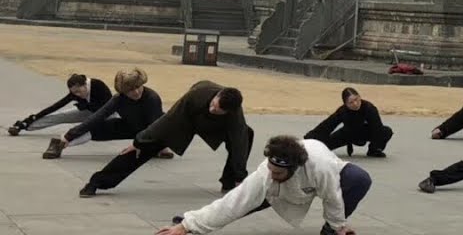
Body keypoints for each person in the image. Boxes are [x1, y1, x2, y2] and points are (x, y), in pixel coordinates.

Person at [155, 135, 372, 235]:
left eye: (278, 172)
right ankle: (192, 222)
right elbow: (234, 202)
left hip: (323, 178)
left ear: (293, 168)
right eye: (270, 168)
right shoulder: (267, 174)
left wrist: (338, 226)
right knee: (243, 203)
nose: (271, 173)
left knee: (360, 179)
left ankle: (331, 231)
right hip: (279, 192)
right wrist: (186, 227)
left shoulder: (321, 168)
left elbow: (332, 197)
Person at [79, 81, 253, 198]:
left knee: (246, 135)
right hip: (184, 120)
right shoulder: (195, 96)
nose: (213, 108)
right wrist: (138, 141)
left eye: (218, 110)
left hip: (214, 128)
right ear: (217, 95)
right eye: (213, 104)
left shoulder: (234, 114)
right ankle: (97, 182)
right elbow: (167, 120)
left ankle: (230, 182)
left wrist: (240, 177)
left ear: (229, 111)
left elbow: (239, 143)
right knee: (141, 147)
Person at [42, 68, 173, 160]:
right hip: (129, 125)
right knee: (95, 127)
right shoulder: (118, 99)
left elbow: (154, 127)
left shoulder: (152, 98)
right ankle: (59, 144)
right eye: (130, 90)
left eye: (138, 87)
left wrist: (138, 145)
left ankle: (161, 147)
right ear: (123, 91)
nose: (136, 92)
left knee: (161, 127)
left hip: (153, 129)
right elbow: (97, 116)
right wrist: (69, 135)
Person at [8, 73, 111, 136]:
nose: (77, 95)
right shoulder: (75, 93)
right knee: (61, 115)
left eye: (78, 91)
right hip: (89, 113)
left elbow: (109, 106)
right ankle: (25, 127)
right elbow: (55, 107)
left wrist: (86, 107)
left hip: (108, 115)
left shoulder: (98, 85)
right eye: (74, 93)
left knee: (86, 130)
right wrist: (32, 118)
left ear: (84, 84)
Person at [304, 87, 393, 158]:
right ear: (346, 104)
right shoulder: (342, 111)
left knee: (386, 131)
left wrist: (376, 145)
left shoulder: (369, 108)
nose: (355, 104)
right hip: (347, 134)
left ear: (359, 97)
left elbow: (377, 128)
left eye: (357, 99)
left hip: (364, 132)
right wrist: (309, 138)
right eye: (351, 102)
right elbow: (327, 125)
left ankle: (374, 150)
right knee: (324, 147)